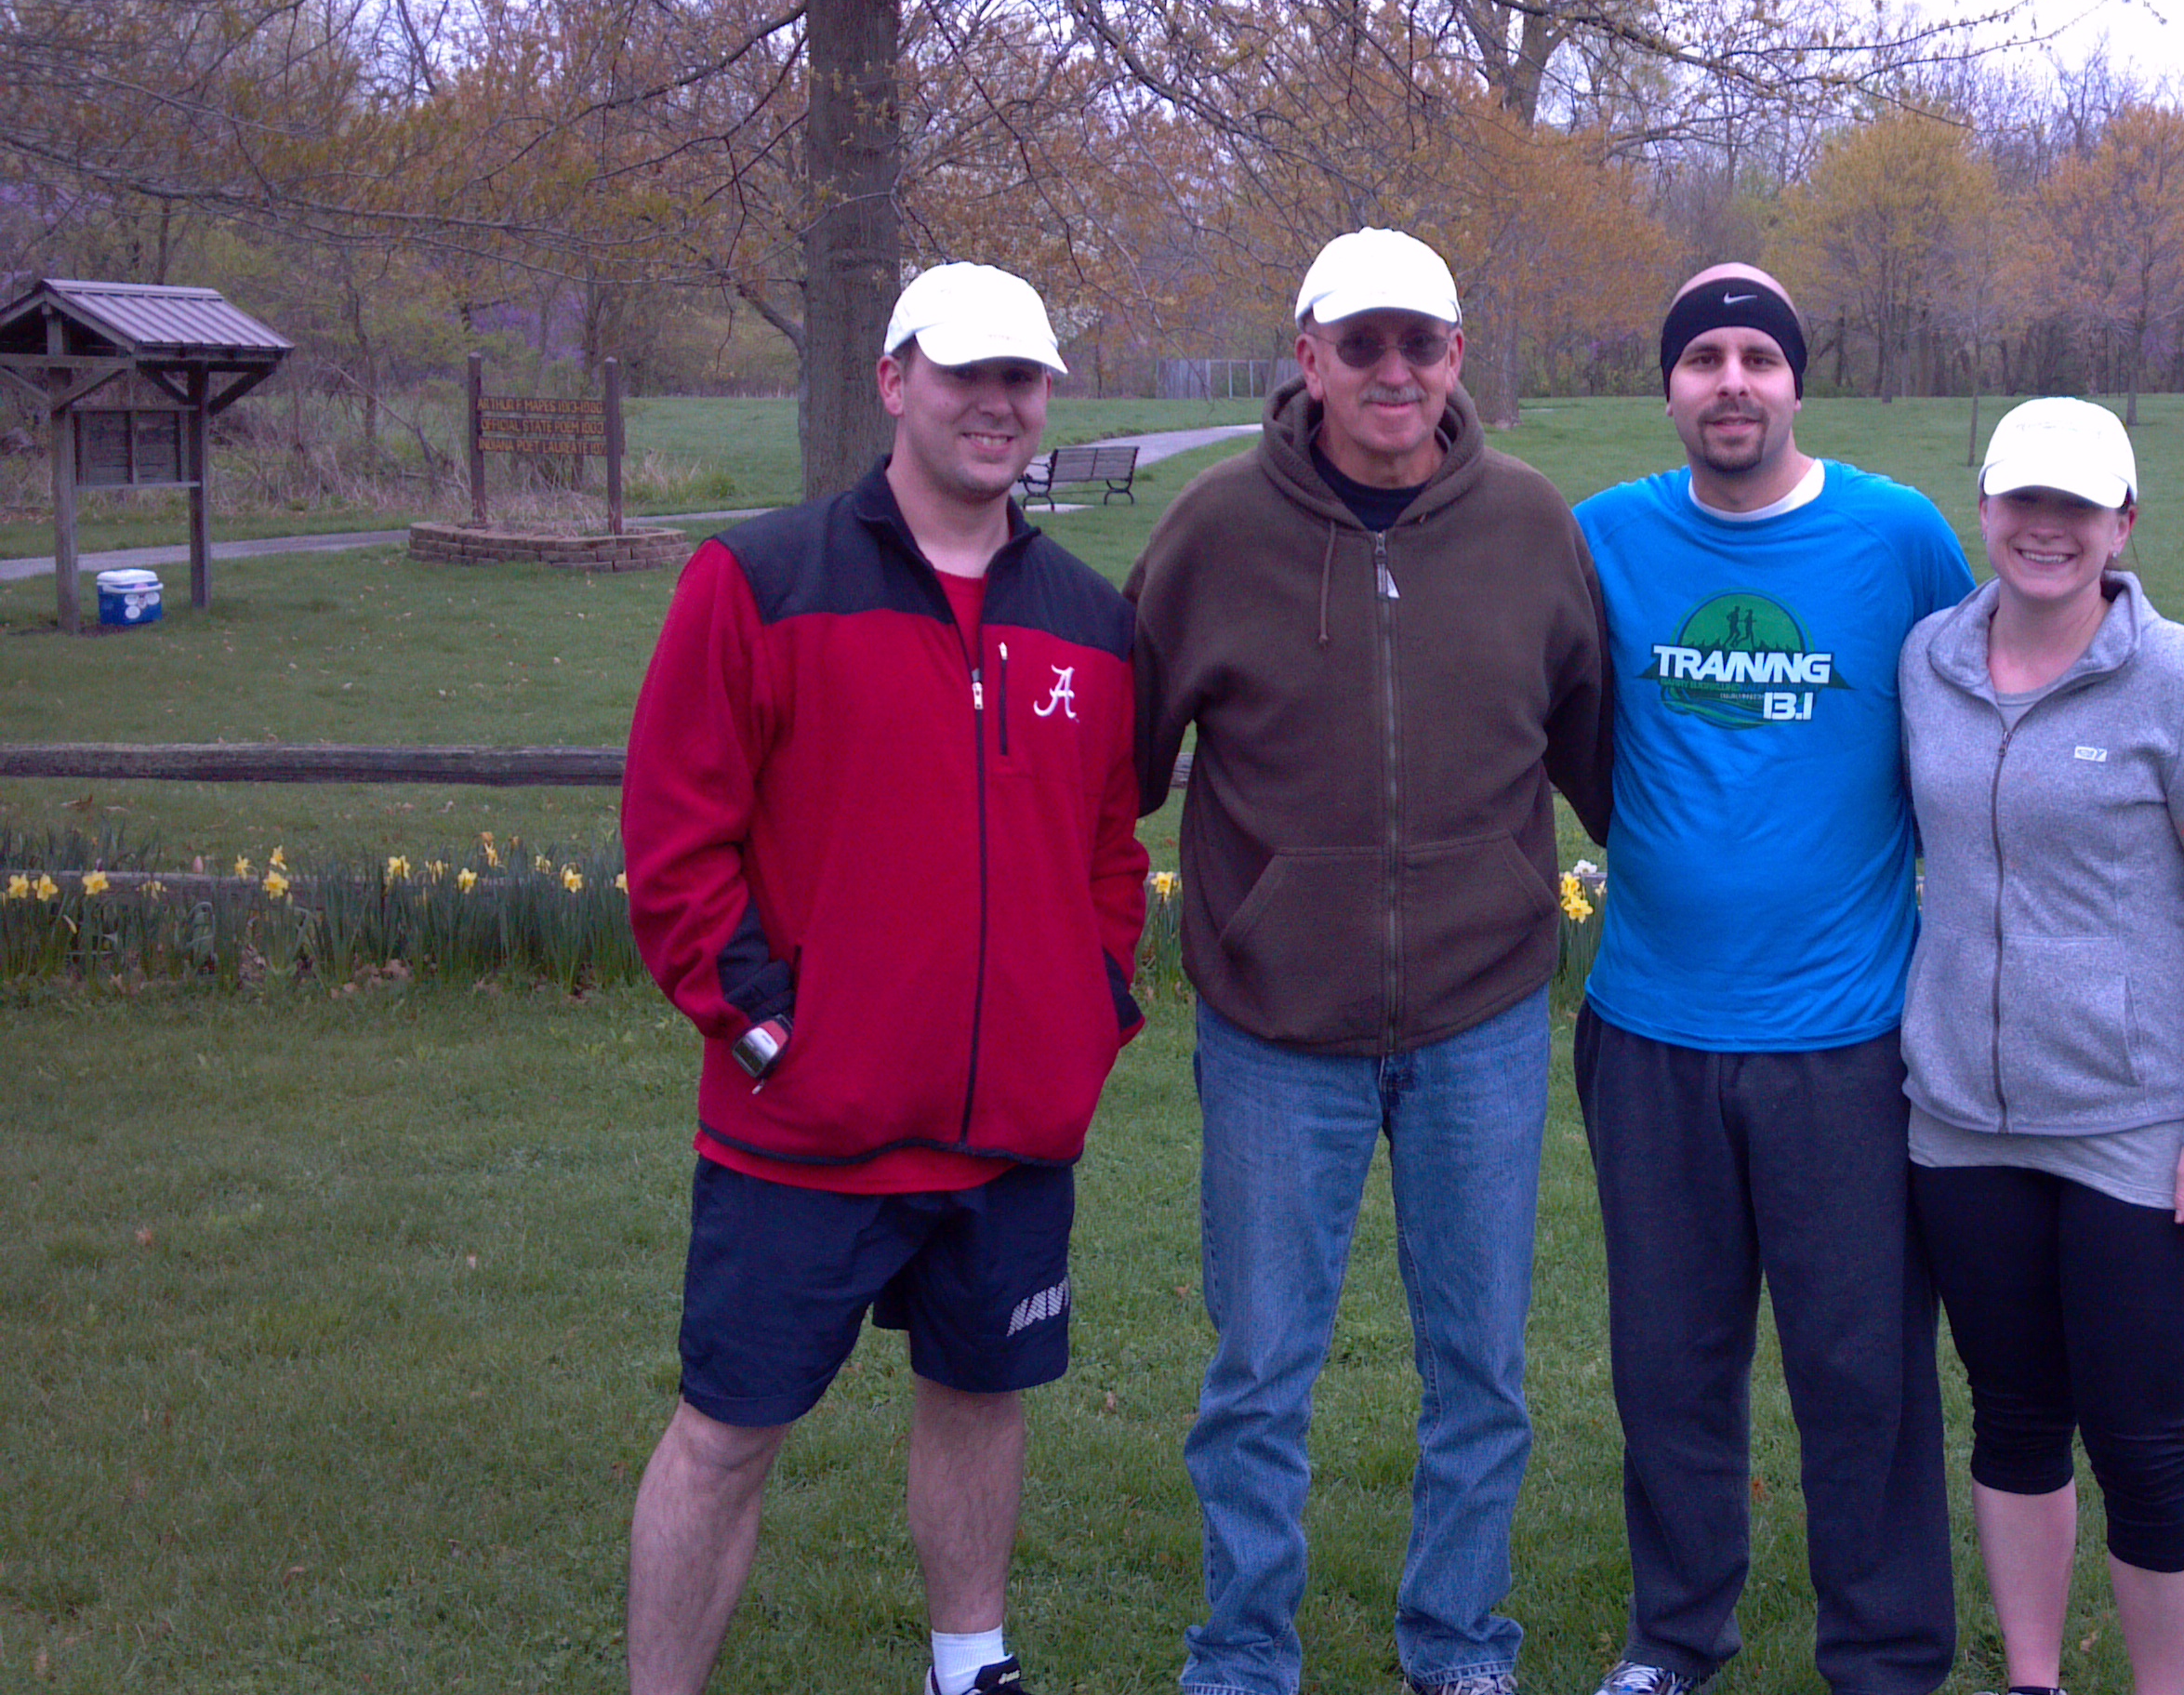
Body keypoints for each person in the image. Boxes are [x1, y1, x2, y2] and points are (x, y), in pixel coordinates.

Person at [619, 262, 1145, 1695]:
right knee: (726, 1433)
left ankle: (968, 1662)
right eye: (966, 373)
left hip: (1008, 1133)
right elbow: (675, 843)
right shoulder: (762, 580)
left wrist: (1089, 1010)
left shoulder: (1089, 619)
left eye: (1022, 378)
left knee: (981, 1397)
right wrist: (765, 1031)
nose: (997, 404)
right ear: (895, 381)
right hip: (805, 1130)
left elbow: (1111, 851)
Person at [1125, 226, 1614, 1695]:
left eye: (1420, 343)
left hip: (1481, 1020)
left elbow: (1597, 753)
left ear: (1456, 358)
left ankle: (1457, 1641)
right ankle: (1242, 1653)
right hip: (1275, 1029)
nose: (1392, 370)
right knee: (1258, 1373)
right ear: (1310, 358)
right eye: (1362, 344)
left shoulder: (1530, 527)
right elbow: (1118, 765)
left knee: (1482, 1373)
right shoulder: (1216, 532)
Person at [1569, 263, 1971, 1695]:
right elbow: (1556, 715)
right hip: (1650, 1030)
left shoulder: (1898, 538)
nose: (1731, 382)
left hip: (1846, 1040)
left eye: (1758, 357)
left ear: (1797, 381)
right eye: (1703, 359)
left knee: (1862, 1370)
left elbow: (1978, 718)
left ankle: (1886, 1652)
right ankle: (1675, 1637)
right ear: (1670, 386)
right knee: (1669, 1368)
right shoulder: (1602, 538)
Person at [1896, 397, 2184, 1695]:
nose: (2047, 528)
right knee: (2013, 1418)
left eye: (2079, 506)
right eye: (2025, 500)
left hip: (2138, 1127)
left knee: (2142, 1440)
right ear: (1986, 509)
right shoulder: (1928, 662)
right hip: (1961, 1120)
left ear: (2124, 524)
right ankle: (2033, 1680)